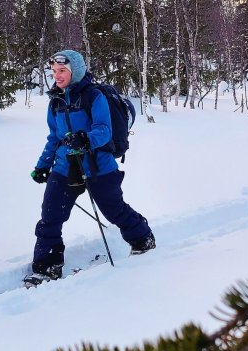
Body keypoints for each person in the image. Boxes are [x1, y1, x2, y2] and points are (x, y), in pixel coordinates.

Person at [26, 50, 155, 285]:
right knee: (50, 216)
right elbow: (54, 137)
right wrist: (43, 165)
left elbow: (104, 130)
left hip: (99, 166)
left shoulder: (93, 96)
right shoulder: (55, 101)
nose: (57, 76)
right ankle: (47, 267)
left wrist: (85, 139)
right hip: (65, 167)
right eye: (54, 71)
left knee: (114, 210)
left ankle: (142, 238)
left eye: (62, 71)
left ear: (75, 71)